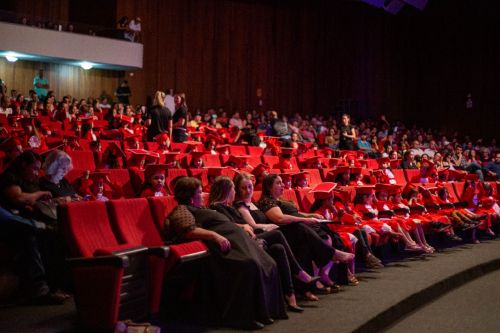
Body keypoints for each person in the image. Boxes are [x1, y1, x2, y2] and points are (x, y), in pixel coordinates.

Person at [165, 177, 286, 329]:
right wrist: (215, 235)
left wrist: (241, 227)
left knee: (269, 262)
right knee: (249, 265)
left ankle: (266, 312)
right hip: (222, 249)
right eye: (199, 192)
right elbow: (188, 230)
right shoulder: (182, 209)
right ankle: (243, 318)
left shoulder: (202, 209)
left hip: (238, 241)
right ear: (189, 196)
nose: (202, 195)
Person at [209, 176, 319, 312]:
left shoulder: (229, 207)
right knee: (281, 234)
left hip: (252, 236)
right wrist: (248, 226)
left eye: (250, 187)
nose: (238, 192)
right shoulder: (220, 207)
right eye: (235, 189)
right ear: (227, 191)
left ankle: (290, 296)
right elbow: (231, 225)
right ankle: (300, 273)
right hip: (243, 241)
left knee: (280, 247)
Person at [256, 173, 357, 289]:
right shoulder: (266, 201)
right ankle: (333, 255)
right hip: (285, 232)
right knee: (306, 230)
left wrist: (311, 215)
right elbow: (279, 218)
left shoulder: (279, 200)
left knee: (327, 235)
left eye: (282, 182)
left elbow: (295, 213)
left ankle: (323, 273)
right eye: (278, 183)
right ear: (269, 187)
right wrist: (305, 220)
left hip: (295, 227)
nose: (282, 185)